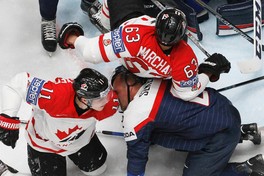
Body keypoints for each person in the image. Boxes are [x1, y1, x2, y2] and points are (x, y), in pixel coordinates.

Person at [111, 65, 264, 176]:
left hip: (222, 133)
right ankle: (242, 131)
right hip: (223, 107)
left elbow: (137, 155)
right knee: (162, 129)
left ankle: (250, 170)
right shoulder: (157, 77)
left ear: (130, 82)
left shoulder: (136, 113)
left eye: (117, 92)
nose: (115, 99)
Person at [0, 68, 119, 176]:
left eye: (107, 93)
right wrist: (8, 117)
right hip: (46, 146)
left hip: (80, 140)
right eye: (101, 97)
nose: (108, 99)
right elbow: (17, 83)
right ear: (84, 99)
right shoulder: (55, 95)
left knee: (97, 169)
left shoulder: (107, 104)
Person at [58, 0, 231, 101]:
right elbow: (186, 93)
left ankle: (104, 15)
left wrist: (72, 38)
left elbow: (91, 52)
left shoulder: (134, 35)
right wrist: (207, 71)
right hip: (150, 78)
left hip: (128, 48)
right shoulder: (185, 57)